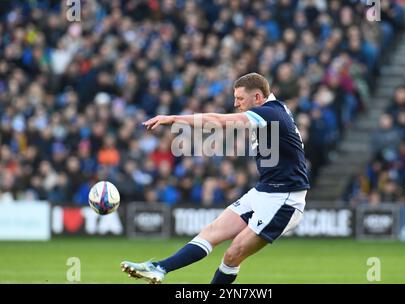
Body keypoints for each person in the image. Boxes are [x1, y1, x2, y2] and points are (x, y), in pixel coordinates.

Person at [120, 73, 310, 284]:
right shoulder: (275, 110)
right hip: (263, 191)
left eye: (240, 99)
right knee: (211, 232)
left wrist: (173, 119)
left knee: (233, 254)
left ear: (257, 97)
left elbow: (219, 121)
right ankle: (159, 268)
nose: (236, 103)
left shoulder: (270, 113)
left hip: (285, 199)